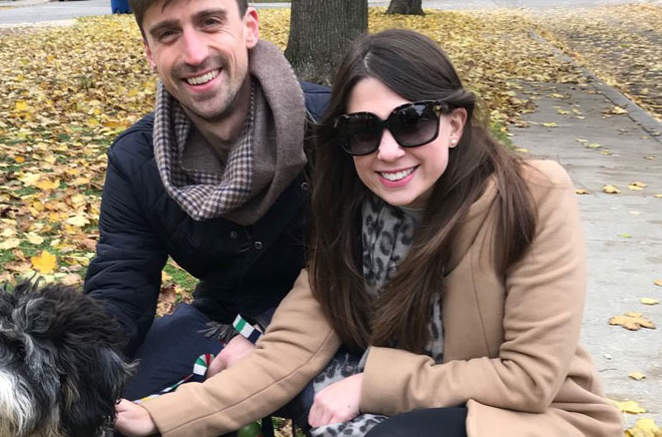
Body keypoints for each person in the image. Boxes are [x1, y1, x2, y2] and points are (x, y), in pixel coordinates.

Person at [115, 29, 624, 437]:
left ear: (454, 123)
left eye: (412, 122)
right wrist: (161, 415)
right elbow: (287, 352)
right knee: (279, 383)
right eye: (363, 130)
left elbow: (529, 379)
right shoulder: (348, 213)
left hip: (526, 419)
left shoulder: (530, 197)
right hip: (414, 406)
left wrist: (369, 386)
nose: (388, 151)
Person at [82, 0, 331, 404]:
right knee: (105, 412)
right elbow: (122, 279)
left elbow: (376, 263)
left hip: (336, 318)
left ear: (249, 27)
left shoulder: (331, 126)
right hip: (220, 320)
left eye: (210, 22)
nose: (194, 54)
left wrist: (264, 335)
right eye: (168, 33)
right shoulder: (138, 160)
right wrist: (74, 360)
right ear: (149, 50)